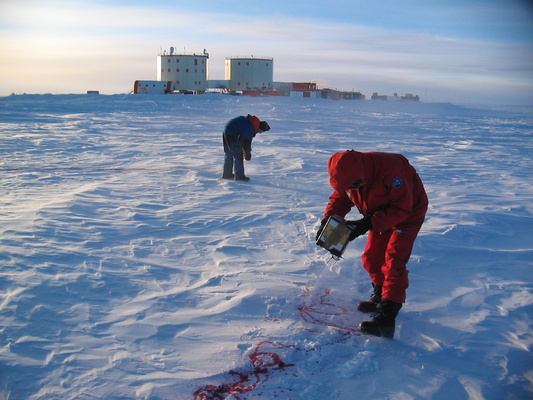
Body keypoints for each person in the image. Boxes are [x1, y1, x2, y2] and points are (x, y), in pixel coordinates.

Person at [318, 150, 428, 338]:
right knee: (372, 258)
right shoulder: (350, 177)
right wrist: (328, 222)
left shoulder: (391, 171)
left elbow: (402, 208)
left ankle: (387, 318)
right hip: (380, 213)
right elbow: (340, 199)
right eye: (350, 186)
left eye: (356, 184)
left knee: (394, 261)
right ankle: (380, 297)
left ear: (361, 174)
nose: (354, 188)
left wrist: (365, 224)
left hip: (408, 215)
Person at [222, 115, 270, 181]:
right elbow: (246, 143)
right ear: (260, 128)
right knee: (238, 155)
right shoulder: (250, 128)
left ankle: (227, 174)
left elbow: (243, 139)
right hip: (231, 133)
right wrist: (247, 154)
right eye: (261, 131)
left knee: (229, 153)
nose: (260, 133)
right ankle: (239, 177)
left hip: (226, 130)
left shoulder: (251, 122)